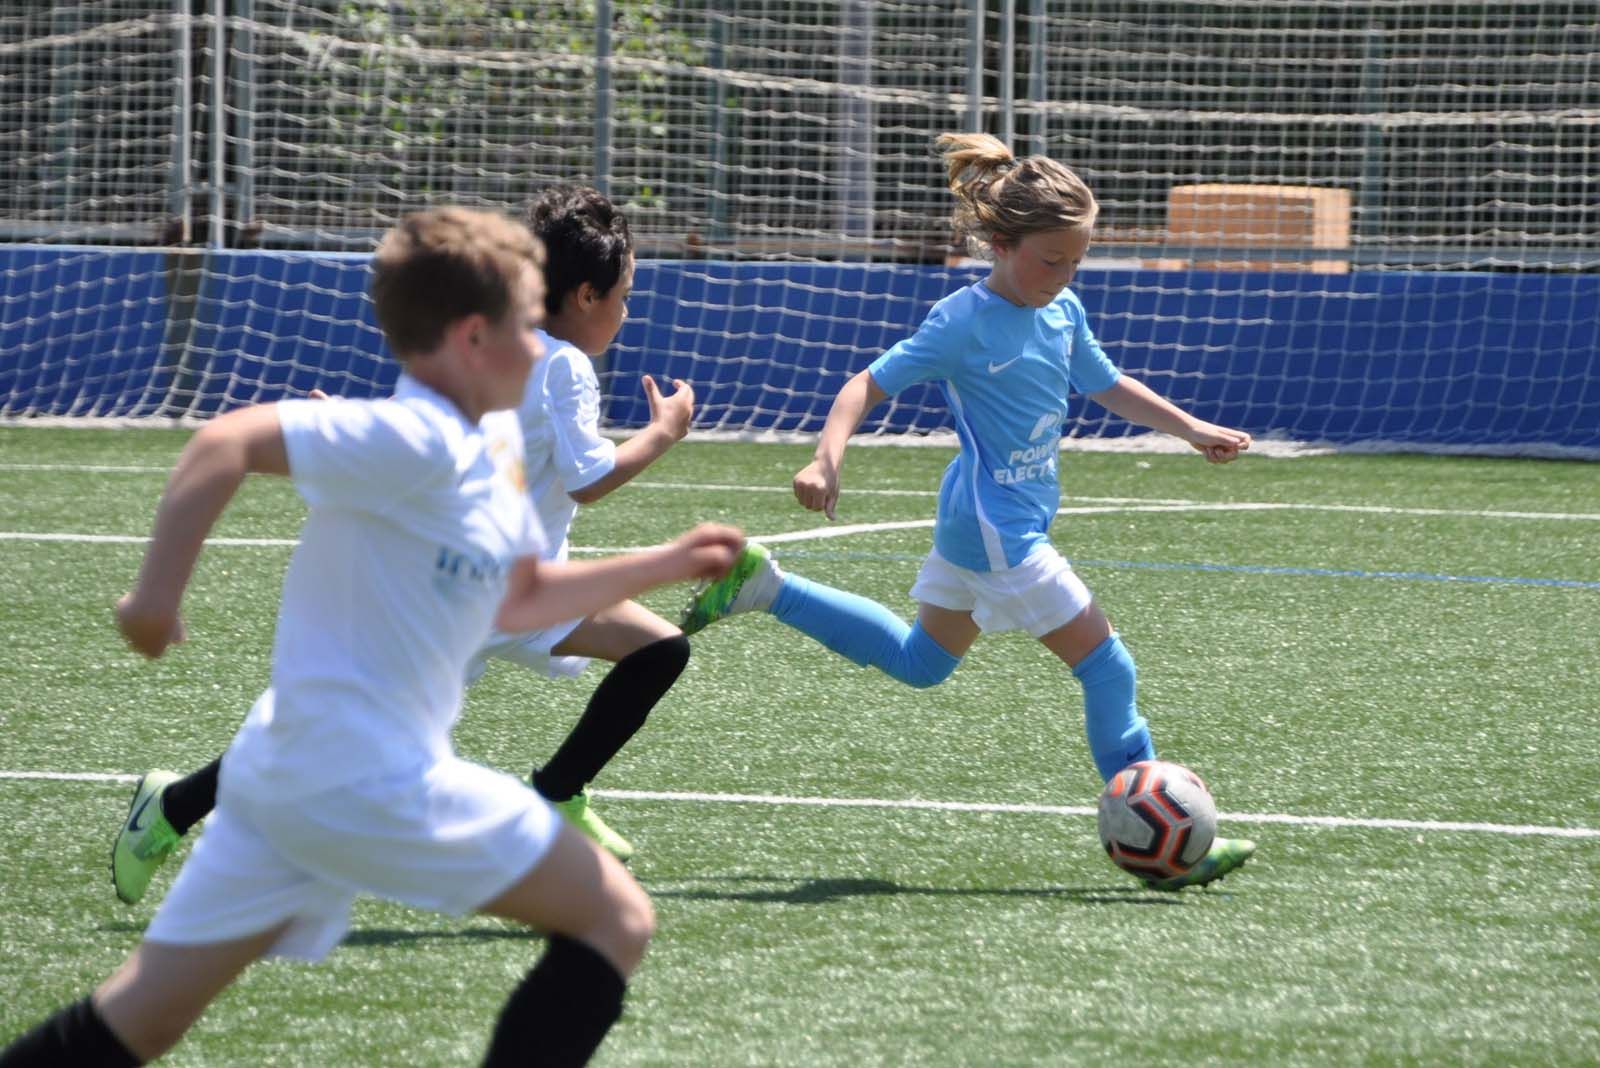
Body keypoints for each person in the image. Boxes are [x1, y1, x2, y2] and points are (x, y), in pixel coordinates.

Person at [2, 206, 743, 1065]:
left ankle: (173, 812)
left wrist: (661, 564)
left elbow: (519, 595)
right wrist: (151, 601)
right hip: (367, 777)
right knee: (617, 920)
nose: (541, 345)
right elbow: (223, 441)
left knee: (141, 1019)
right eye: (522, 323)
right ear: (474, 337)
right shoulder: (421, 435)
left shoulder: (489, 442)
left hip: (284, 779)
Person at [680, 132, 1257, 892]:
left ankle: (766, 587)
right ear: (1000, 243)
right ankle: (1166, 840)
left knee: (922, 664)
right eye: (1051, 260)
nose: (1064, 274)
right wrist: (826, 457)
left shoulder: (1064, 311)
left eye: (1076, 260)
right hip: (996, 530)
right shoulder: (963, 321)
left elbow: (1106, 384)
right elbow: (865, 385)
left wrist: (1191, 429)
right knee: (1107, 663)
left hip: (982, 515)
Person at [111, 185, 691, 907]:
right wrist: (664, 432)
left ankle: (553, 798)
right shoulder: (563, 363)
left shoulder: (498, 354)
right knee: (323, 745)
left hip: (517, 589)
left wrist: (361, 423)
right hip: (460, 598)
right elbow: (588, 478)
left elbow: (449, 430)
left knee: (658, 649)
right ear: (582, 294)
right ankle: (175, 811)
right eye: (624, 296)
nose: (627, 312)